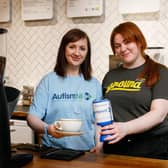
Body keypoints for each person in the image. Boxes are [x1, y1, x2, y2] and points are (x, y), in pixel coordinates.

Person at [27, 28, 102, 151]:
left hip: (87, 154)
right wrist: (48, 129)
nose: (77, 53)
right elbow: (32, 118)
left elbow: (98, 122)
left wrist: (99, 146)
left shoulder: (94, 84)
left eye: (82, 48)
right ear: (63, 49)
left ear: (87, 53)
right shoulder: (48, 81)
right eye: (72, 47)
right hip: (53, 152)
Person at [101, 21, 168, 159]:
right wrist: (98, 145)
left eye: (127, 42)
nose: (123, 48)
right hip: (115, 146)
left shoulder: (160, 72)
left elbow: (159, 113)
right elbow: (101, 114)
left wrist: (125, 128)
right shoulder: (110, 76)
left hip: (152, 148)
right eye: (117, 46)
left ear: (139, 41)